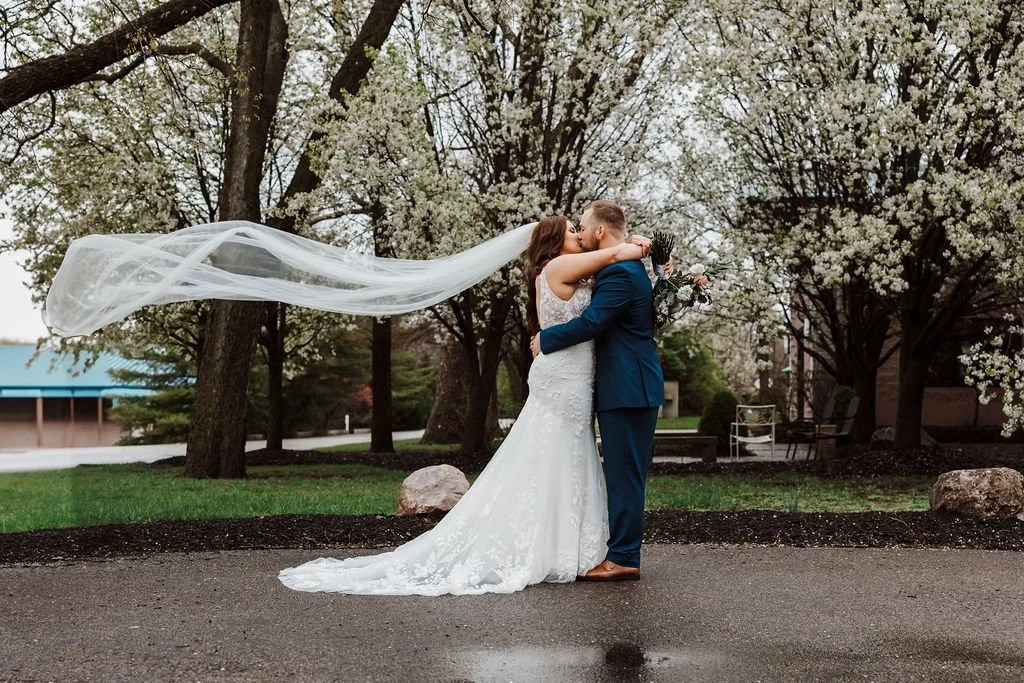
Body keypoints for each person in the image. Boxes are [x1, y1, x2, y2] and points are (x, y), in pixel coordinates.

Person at [278, 215, 657, 595]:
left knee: (564, 456)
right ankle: (556, 546)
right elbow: (614, 257)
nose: (579, 234)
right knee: (553, 452)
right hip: (563, 378)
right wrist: (640, 246)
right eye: (572, 231)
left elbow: (609, 270)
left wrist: (643, 251)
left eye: (581, 228)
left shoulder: (576, 273)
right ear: (554, 242)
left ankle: (570, 546)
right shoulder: (559, 266)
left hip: (573, 377)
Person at [531, 200, 664, 581]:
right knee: (624, 473)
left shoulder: (619, 271)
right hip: (626, 384)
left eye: (583, 227)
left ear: (600, 231)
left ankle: (623, 557)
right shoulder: (621, 266)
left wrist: (546, 339)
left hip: (626, 387)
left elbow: (593, 322)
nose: (582, 234)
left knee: (624, 475)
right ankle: (620, 551)